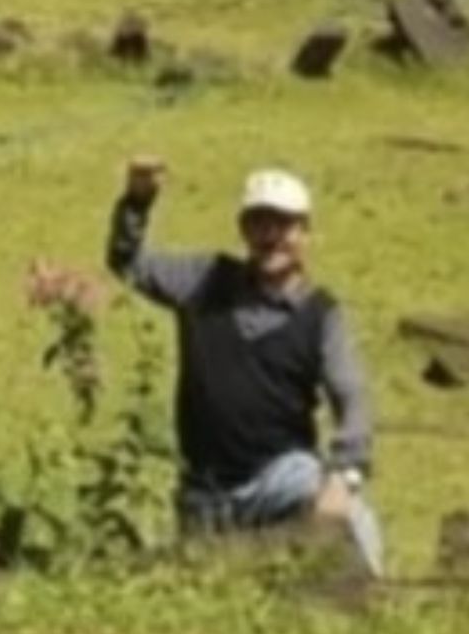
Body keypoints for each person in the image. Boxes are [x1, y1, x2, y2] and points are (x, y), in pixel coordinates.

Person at [106, 159, 382, 576]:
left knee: (353, 517)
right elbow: (128, 264)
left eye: (284, 225)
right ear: (243, 229)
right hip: (205, 490)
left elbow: (352, 395)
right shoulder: (205, 280)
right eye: (259, 223)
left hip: (280, 478)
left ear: (305, 233)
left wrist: (345, 475)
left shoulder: (321, 315)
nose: (270, 236)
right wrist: (137, 202)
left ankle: (379, 609)